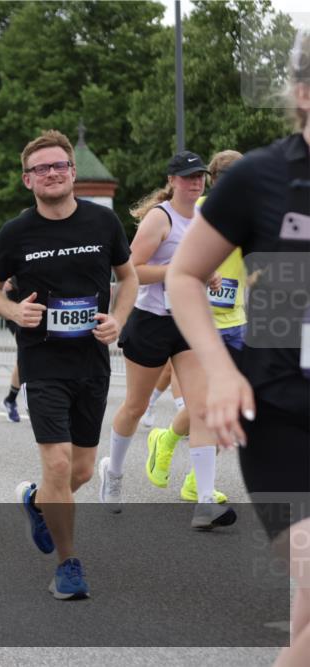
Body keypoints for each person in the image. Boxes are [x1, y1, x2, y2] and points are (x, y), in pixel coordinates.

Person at [166, 31, 310, 665]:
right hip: (283, 417)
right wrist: (222, 371)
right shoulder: (260, 177)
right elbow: (184, 275)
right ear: (303, 93)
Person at [0, 130, 137, 599]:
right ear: (28, 179)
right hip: (43, 361)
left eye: (59, 165)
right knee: (59, 461)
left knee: (80, 471)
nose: (52, 173)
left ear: (72, 172)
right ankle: (68, 565)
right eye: (41, 168)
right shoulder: (16, 233)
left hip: (92, 360)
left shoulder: (102, 223)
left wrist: (119, 320)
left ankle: (37, 501)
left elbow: (128, 278)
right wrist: (14, 312)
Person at [100, 151, 235, 529]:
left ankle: (205, 501)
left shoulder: (207, 218)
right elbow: (132, 271)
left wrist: (209, 274)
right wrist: (177, 270)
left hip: (189, 322)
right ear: (172, 181)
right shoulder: (161, 218)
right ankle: (113, 472)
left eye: (200, 176)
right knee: (135, 406)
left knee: (202, 408)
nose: (196, 182)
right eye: (188, 177)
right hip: (151, 321)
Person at [145, 150, 245, 501]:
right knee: (210, 403)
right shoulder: (197, 211)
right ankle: (181, 459)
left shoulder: (254, 213)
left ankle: (177, 453)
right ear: (215, 181)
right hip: (199, 320)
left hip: (237, 320)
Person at [1, 276, 23, 423]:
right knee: (26, 355)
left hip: (38, 310)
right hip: (15, 312)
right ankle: (11, 400)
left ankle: (10, 399)